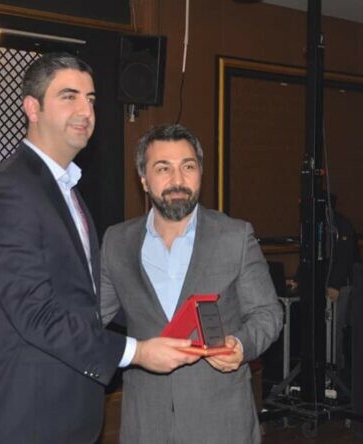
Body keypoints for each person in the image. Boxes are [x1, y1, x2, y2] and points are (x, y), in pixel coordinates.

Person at [0, 54, 198, 443]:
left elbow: (83, 300)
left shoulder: (65, 188)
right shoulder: (10, 189)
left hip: (70, 413)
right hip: (27, 419)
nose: (85, 111)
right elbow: (35, 313)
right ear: (32, 108)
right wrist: (138, 352)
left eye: (90, 99)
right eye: (69, 97)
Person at [99, 124, 283, 444]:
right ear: (144, 180)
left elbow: (268, 313)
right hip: (145, 424)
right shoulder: (117, 242)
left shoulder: (235, 236)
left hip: (221, 423)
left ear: (200, 173)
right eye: (163, 168)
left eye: (188, 166)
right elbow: (89, 319)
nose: (178, 180)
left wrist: (241, 345)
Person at [288, 193, 361, 384]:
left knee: (335, 328)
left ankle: (336, 372)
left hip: (342, 285)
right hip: (323, 283)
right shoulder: (313, 225)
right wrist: (298, 279)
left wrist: (335, 284)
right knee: (321, 328)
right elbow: (307, 254)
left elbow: (345, 257)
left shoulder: (341, 225)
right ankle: (321, 369)